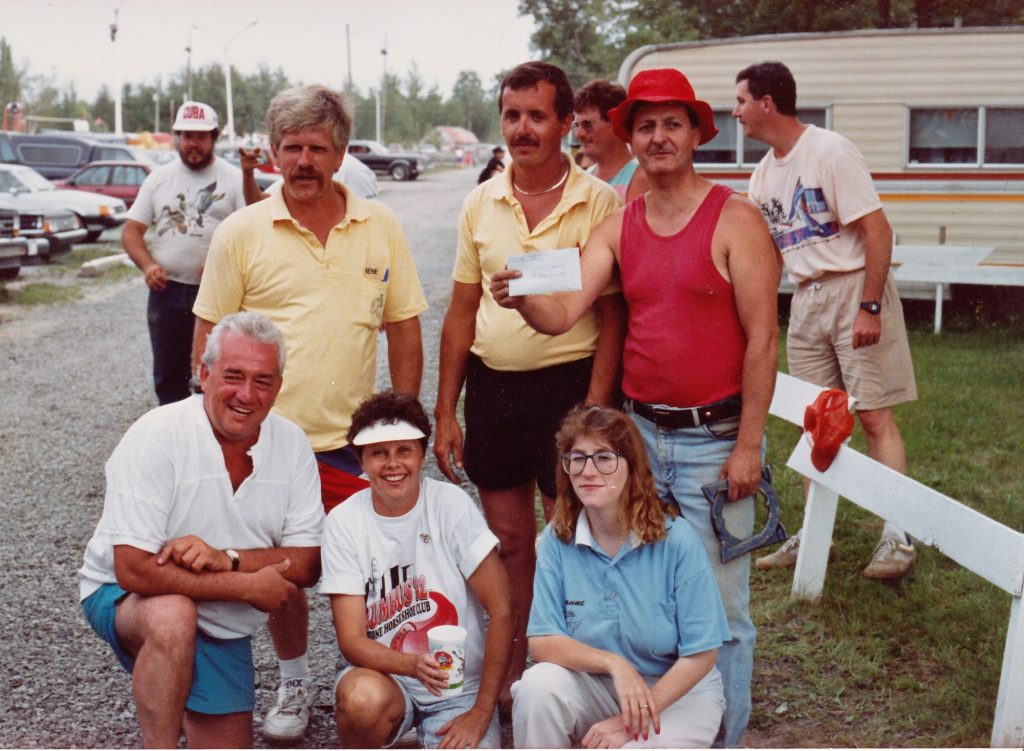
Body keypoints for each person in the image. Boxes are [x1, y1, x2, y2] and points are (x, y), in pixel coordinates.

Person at [491, 68, 782, 747]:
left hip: (716, 436)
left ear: (695, 134)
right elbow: (565, 311)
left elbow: (765, 337)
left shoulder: (735, 218)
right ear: (631, 136)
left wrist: (750, 444)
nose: (658, 137)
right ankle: (645, 711)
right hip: (639, 437)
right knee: (640, 582)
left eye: (671, 123)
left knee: (725, 608)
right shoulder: (621, 227)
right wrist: (521, 296)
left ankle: (725, 734)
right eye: (645, 125)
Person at [192, 84, 427, 742]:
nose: (302, 160)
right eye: (290, 147)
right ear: (271, 153)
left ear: (341, 152)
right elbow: (207, 340)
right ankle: (294, 679)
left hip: (357, 444)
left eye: (316, 148)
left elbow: (404, 329)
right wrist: (216, 436)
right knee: (282, 573)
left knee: (386, 568)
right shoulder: (240, 232)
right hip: (269, 447)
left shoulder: (380, 226)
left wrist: (402, 427)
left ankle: (396, 687)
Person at [434, 60, 623, 703]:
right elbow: (460, 313)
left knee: (570, 530)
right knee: (511, 541)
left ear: (567, 124)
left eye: (537, 116)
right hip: (496, 390)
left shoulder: (600, 201)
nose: (523, 129)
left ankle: (571, 663)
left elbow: (612, 313)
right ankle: (514, 661)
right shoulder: (479, 202)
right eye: (512, 116)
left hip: (571, 388)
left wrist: (597, 406)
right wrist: (446, 411)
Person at [77, 312, 323, 748]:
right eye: (233, 376)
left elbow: (306, 563)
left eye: (263, 381)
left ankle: (184, 684)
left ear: (279, 386)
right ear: (204, 374)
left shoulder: (292, 443)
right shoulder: (157, 436)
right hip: (126, 596)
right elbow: (133, 569)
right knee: (173, 616)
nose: (247, 394)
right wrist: (243, 584)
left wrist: (226, 557)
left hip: (217, 612)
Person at [733, 61, 918, 580]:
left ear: (767, 102)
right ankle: (814, 534)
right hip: (807, 298)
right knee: (817, 424)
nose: (736, 111)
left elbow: (879, 232)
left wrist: (870, 305)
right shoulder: (764, 173)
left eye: (741, 100)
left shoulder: (830, 150)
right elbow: (765, 254)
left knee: (873, 416)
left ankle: (897, 538)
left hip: (854, 286)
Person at [512, 405, 730, 749]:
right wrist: (614, 664)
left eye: (604, 458)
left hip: (674, 694)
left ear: (632, 466)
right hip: (601, 683)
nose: (588, 470)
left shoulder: (676, 540)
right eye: (577, 458)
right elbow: (542, 641)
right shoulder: (559, 537)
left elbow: (701, 655)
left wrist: (629, 723)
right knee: (537, 687)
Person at [321, 390, 513, 748]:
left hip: (458, 688)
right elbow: (351, 640)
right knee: (361, 700)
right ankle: (398, 727)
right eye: (379, 453)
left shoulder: (451, 505)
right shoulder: (344, 520)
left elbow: (502, 610)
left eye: (404, 451)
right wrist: (410, 666)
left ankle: (429, 731)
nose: (393, 464)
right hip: (386, 678)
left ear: (422, 455)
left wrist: (481, 713)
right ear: (361, 460)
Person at [122, 100, 246, 405]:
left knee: (214, 372)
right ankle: (174, 437)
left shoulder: (233, 179)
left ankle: (215, 438)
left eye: (201, 137)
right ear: (177, 137)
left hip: (218, 294)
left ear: (214, 138)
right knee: (168, 375)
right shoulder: (158, 179)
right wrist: (148, 266)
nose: (193, 144)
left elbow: (250, 235)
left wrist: (222, 265)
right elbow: (131, 232)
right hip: (167, 293)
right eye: (187, 136)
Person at [573, 79, 649, 202]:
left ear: (615, 123)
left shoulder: (641, 177)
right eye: (576, 125)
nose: (579, 133)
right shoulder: (586, 177)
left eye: (587, 124)